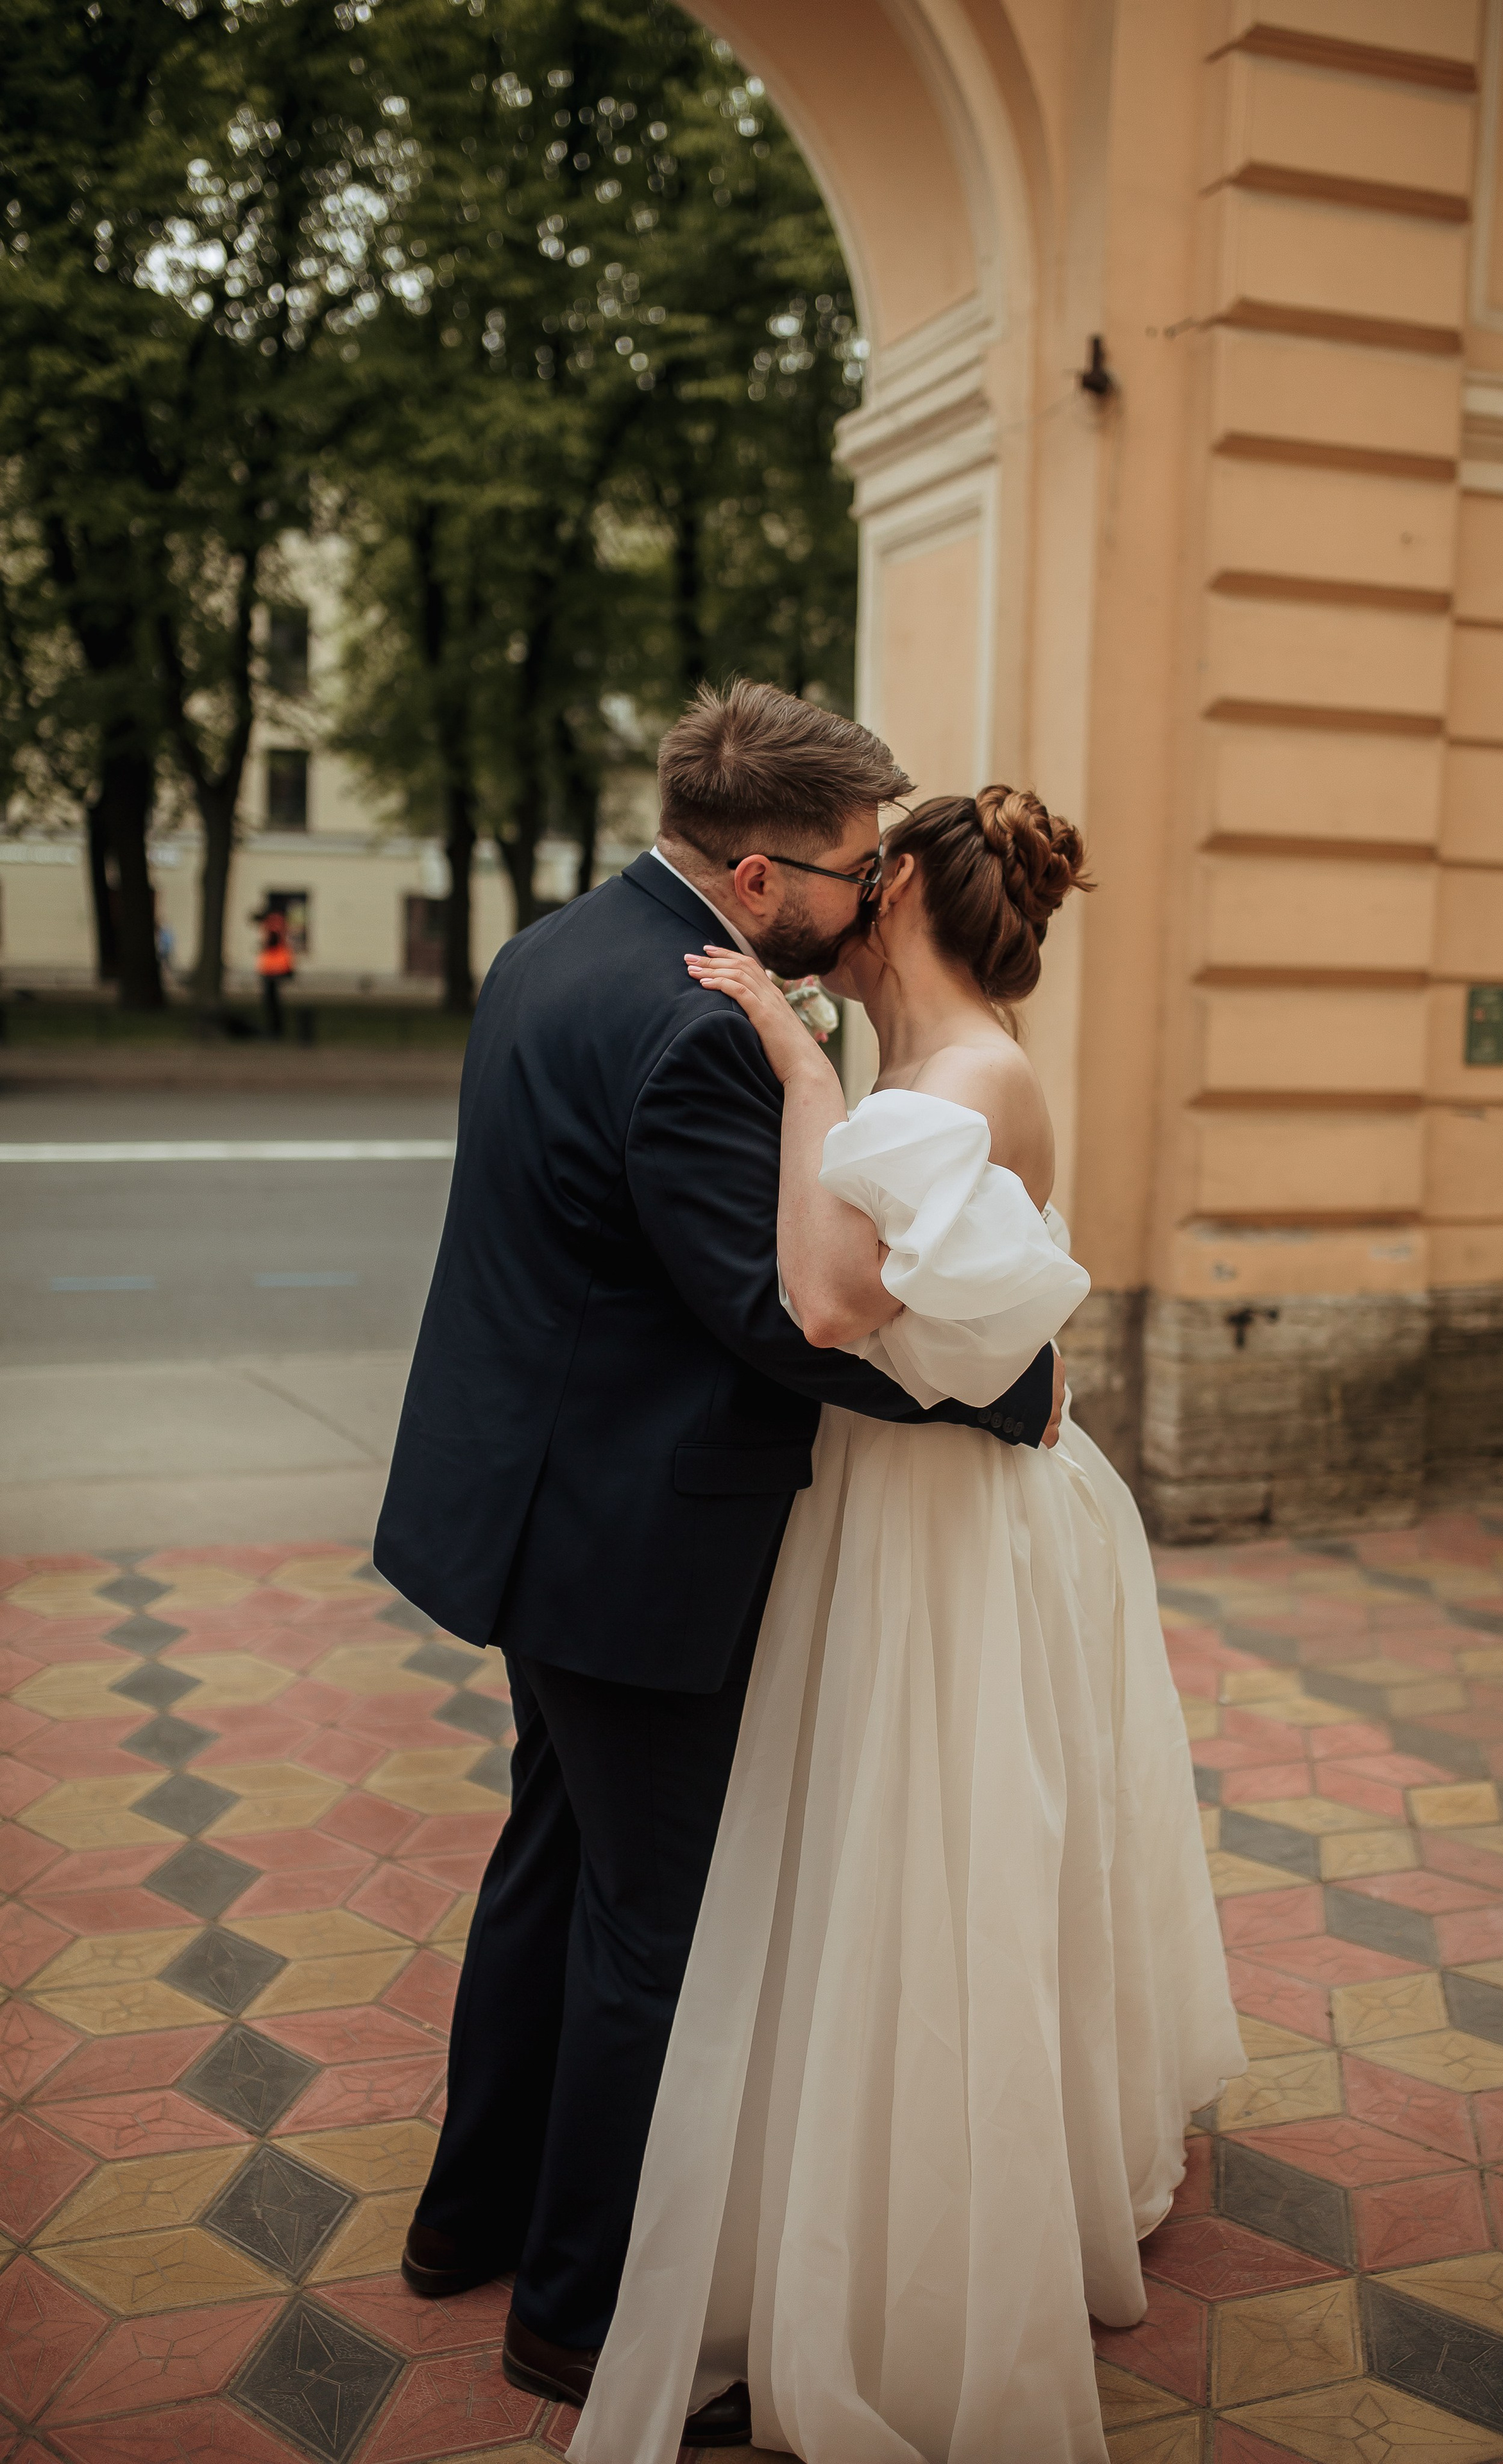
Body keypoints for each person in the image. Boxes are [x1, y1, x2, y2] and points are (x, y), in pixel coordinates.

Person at [373, 684, 1065, 2449]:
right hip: (632, 1547)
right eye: (852, 870)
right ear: (760, 878)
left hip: (528, 1517)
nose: (874, 898)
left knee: (546, 1863)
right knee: (647, 1921)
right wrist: (1009, 1387)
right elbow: (778, 1318)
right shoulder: (697, 1030)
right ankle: (580, 2313)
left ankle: (467, 2219)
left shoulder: (547, 952)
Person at [567, 786, 1245, 2464]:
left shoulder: (969, 1078)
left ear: (904, 915)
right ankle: (851, 2199)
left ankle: (929, 2253)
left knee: (939, 1862)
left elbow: (828, 1301)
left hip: (946, 1529)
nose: (835, 908)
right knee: (882, 1858)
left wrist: (799, 1075)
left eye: (865, 887)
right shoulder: (938, 1074)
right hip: (904, 1505)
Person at [254, 901, 294, 1036]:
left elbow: (273, 940)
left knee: (272, 1002)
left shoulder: (274, 923)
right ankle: (276, 1028)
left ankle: (275, 1030)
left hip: (274, 968)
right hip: (276, 967)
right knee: (273, 1001)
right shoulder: (279, 922)